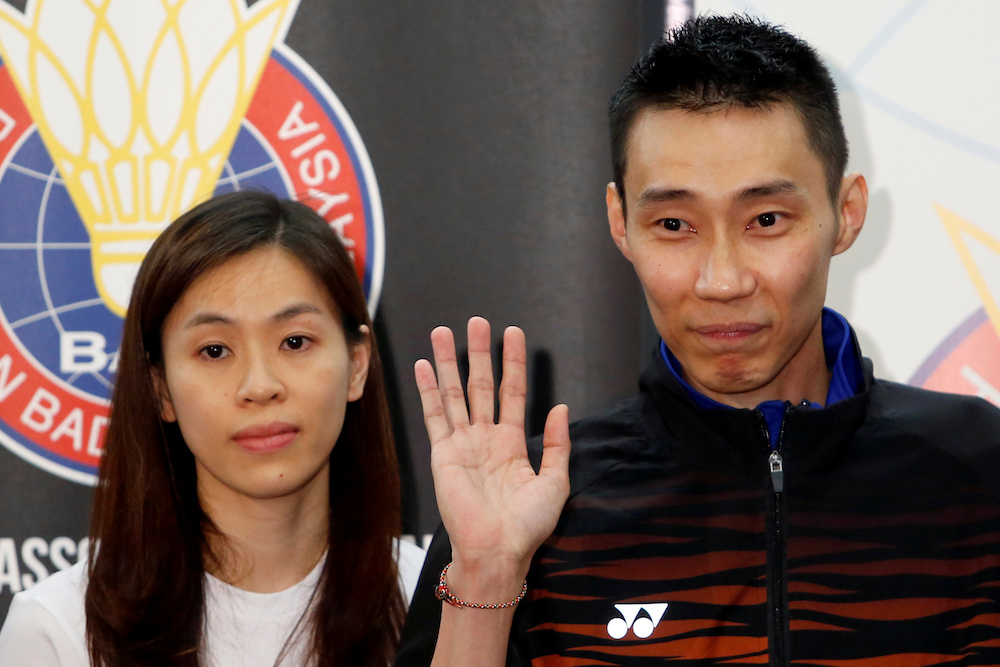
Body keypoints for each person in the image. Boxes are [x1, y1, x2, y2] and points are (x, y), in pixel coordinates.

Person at [395, 15, 1000, 666]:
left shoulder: (979, 473)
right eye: (675, 223)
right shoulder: (535, 505)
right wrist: (487, 575)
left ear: (845, 213)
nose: (721, 280)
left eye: (766, 219)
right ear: (620, 222)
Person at [0, 190, 425, 666]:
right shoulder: (57, 630)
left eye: (295, 341)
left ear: (357, 364)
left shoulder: (442, 603)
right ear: (160, 389)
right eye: (215, 351)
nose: (259, 386)